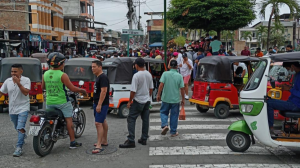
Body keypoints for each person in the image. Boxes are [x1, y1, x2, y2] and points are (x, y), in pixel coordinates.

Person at [42, 52, 87, 149]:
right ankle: (72, 142)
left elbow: (43, 87)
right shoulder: (63, 75)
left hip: (49, 102)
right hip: (62, 102)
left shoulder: (45, 74)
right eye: (63, 63)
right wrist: (82, 90)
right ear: (60, 64)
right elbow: (73, 88)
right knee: (69, 120)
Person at [119, 58, 153, 148]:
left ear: (137, 65)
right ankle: (144, 138)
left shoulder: (136, 75)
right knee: (145, 119)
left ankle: (131, 140)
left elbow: (133, 91)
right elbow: (151, 89)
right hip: (147, 100)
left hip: (138, 100)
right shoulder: (149, 74)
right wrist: (148, 97)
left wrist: (130, 101)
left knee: (131, 118)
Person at [0, 64, 30, 157]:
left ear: (21, 71)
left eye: (15, 71)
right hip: (12, 109)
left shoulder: (26, 80)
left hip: (23, 108)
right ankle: (23, 135)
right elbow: (1, 92)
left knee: (20, 127)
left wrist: (18, 83)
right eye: (12, 71)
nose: (13, 73)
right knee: (17, 127)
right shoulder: (8, 81)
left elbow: (25, 92)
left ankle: (19, 148)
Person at [267, 62, 300, 135]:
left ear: (292, 66)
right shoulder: (297, 75)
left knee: (269, 103)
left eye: (288, 69)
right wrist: (289, 88)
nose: (288, 71)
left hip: (296, 105)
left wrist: (289, 89)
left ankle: (270, 128)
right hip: (292, 102)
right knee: (268, 100)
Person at [157, 60, 185, 137]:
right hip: (175, 99)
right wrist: (183, 99)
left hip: (166, 98)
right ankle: (173, 132)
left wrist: (158, 95)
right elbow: (182, 88)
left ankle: (165, 125)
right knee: (174, 115)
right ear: (176, 66)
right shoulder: (179, 76)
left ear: (169, 66)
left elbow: (161, 85)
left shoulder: (165, 74)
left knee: (163, 112)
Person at [91, 60, 109, 154]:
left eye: (94, 67)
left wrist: (99, 104)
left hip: (101, 103)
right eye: (92, 67)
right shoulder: (98, 77)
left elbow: (104, 91)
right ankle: (104, 140)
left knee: (98, 123)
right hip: (98, 102)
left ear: (100, 67)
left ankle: (99, 144)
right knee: (102, 121)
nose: (92, 68)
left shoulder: (103, 77)